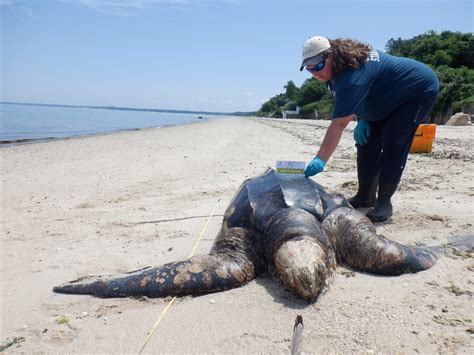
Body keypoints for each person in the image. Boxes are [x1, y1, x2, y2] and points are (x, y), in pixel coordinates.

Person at [300, 36, 439, 222]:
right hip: (384, 98)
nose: (314, 73)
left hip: (416, 91)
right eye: (309, 69)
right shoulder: (334, 72)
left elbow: (339, 124)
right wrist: (363, 119)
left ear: (331, 54)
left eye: (317, 66)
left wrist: (320, 160)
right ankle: (365, 196)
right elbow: (354, 99)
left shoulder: (352, 73)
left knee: (394, 144)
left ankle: (384, 203)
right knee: (366, 144)